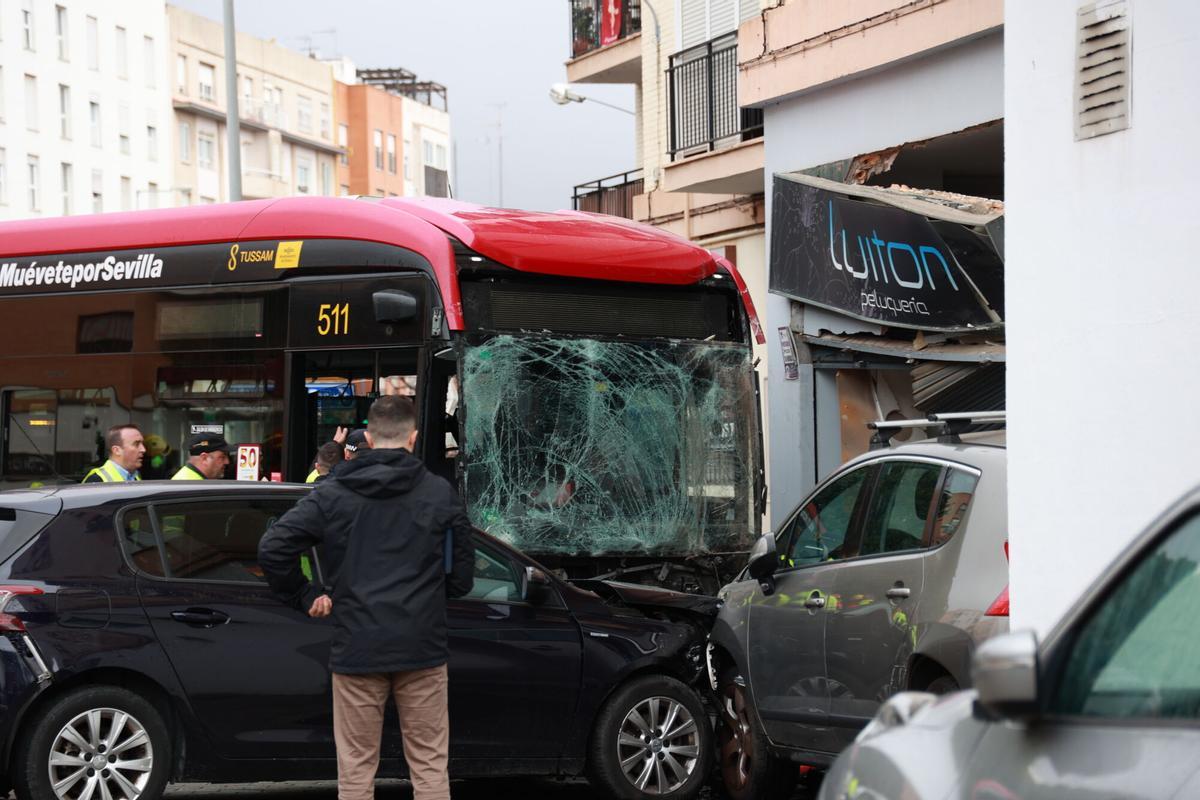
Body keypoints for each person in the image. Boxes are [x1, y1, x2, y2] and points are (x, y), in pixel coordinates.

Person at [259, 396, 474, 800]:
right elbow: (462, 576)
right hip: (422, 646)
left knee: (356, 770)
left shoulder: (334, 492)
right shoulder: (438, 493)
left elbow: (273, 548)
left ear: (370, 439)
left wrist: (305, 594)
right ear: (412, 438)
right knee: (429, 766)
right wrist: (429, 597)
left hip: (357, 644)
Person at [82, 424, 146, 483]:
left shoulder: (135, 476)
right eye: (136, 444)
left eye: (142, 444)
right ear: (116, 450)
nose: (143, 449)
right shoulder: (96, 480)